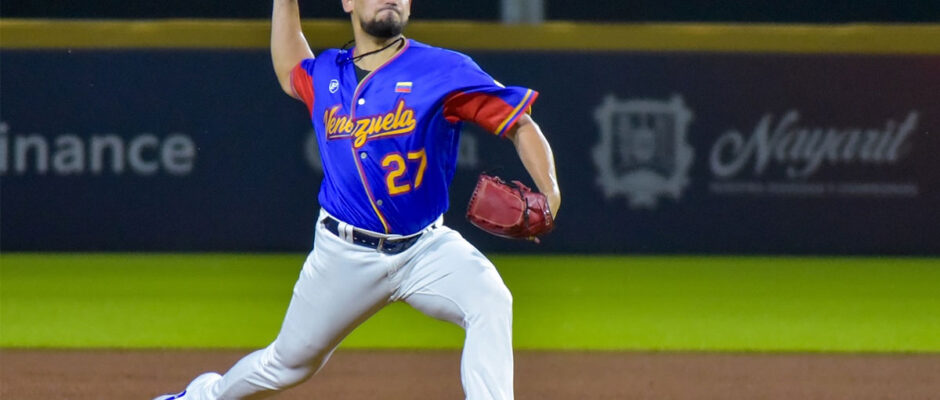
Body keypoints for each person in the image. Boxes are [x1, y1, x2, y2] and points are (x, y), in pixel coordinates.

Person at [154, 0, 560, 398]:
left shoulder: (444, 69)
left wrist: (550, 192)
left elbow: (520, 125)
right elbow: (289, 68)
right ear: (347, 2)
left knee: (490, 300)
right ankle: (201, 396)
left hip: (426, 249)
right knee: (287, 365)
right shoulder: (327, 72)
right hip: (344, 255)